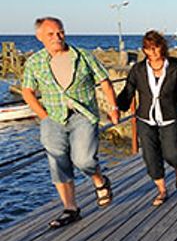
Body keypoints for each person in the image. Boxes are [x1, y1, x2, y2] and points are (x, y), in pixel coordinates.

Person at [21, 17, 118, 229]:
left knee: (84, 159)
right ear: (39, 37)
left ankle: (100, 180)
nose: (57, 37)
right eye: (51, 34)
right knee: (58, 163)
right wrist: (43, 116)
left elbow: (104, 81)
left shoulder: (82, 56)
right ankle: (70, 208)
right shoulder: (34, 62)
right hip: (53, 118)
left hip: (82, 115)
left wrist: (113, 108)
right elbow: (27, 91)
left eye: (60, 32)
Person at [116, 30, 177, 206]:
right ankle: (162, 190)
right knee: (150, 157)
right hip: (145, 119)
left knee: (172, 153)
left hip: (169, 117)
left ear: (163, 47)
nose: (153, 52)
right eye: (148, 48)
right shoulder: (138, 70)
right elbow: (128, 90)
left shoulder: (174, 69)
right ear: (144, 50)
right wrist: (117, 107)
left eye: (156, 47)